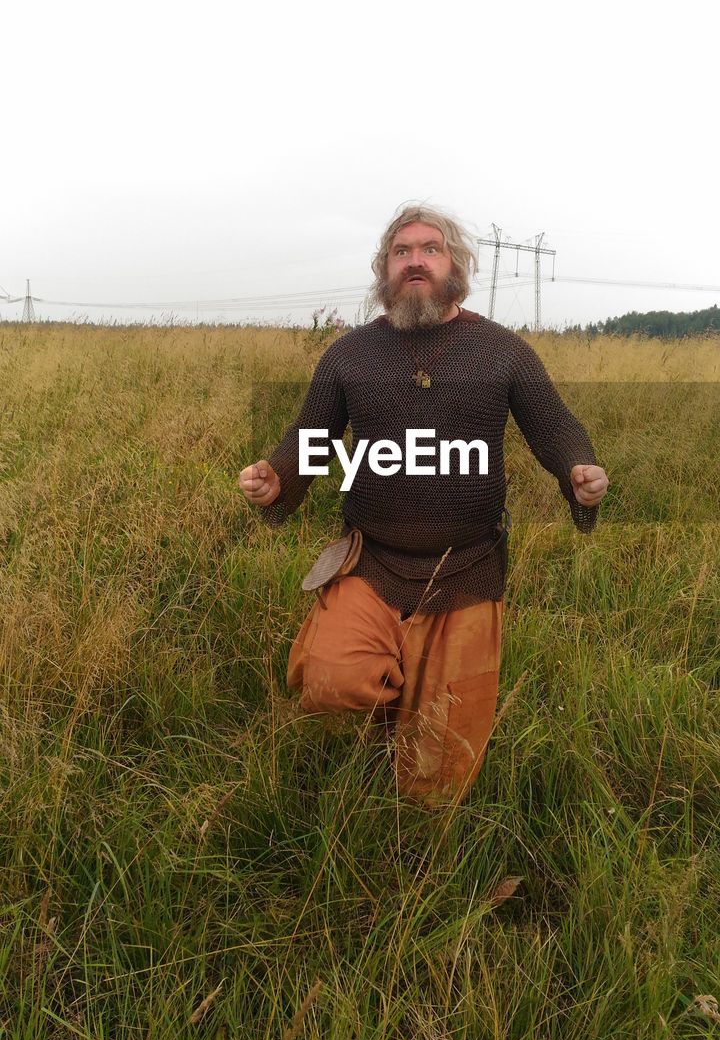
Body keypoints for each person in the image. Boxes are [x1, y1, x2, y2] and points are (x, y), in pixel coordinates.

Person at [239, 204, 609, 805]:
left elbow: (554, 426)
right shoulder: (350, 355)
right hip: (371, 560)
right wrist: (278, 478)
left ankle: (415, 836)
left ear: (455, 265)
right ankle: (389, 698)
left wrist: (578, 472)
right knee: (332, 682)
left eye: (430, 249)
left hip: (465, 567)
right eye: (401, 251)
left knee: (437, 775)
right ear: (385, 270)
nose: (416, 259)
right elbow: (312, 439)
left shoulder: (501, 351)